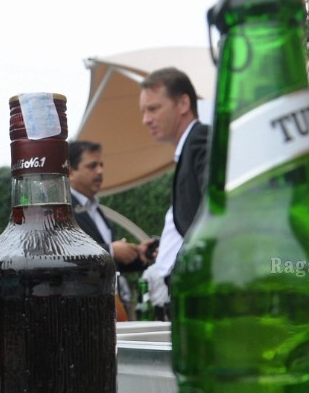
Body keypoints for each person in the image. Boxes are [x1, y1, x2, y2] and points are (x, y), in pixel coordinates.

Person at [137, 67, 210, 313]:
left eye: (153, 108)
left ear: (183, 104)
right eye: (144, 111)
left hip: (199, 295)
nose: (145, 119)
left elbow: (213, 213)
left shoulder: (200, 141)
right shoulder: (188, 149)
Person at [68, 140, 156, 273]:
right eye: (92, 166)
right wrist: (111, 250)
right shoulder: (63, 210)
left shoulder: (96, 209)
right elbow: (65, 253)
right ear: (71, 172)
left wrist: (139, 253)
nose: (100, 171)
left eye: (101, 165)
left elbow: (111, 264)